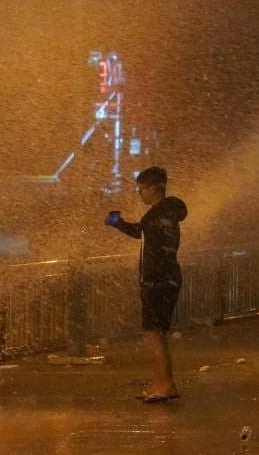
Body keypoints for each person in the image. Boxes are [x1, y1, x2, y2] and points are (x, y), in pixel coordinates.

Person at [105, 166, 188, 403]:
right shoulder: (167, 212)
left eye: (141, 189)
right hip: (167, 277)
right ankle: (159, 383)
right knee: (155, 333)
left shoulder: (155, 215)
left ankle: (166, 384)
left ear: (153, 188)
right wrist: (119, 223)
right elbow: (143, 234)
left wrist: (117, 223)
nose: (140, 193)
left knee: (155, 334)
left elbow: (143, 235)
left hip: (157, 280)